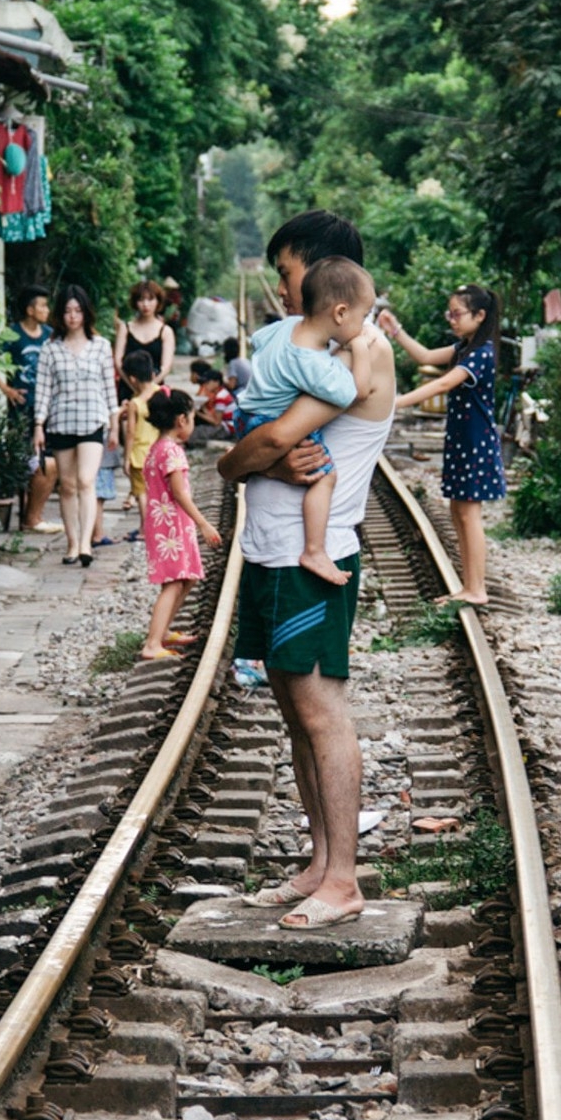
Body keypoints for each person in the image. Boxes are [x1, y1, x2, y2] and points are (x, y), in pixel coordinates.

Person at [216, 209, 396, 931]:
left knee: (321, 713)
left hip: (308, 556)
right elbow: (253, 448)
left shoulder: (360, 353)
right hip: (274, 549)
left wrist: (241, 457)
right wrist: (247, 456)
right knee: (295, 710)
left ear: (324, 277)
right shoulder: (312, 348)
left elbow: (265, 442)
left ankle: (344, 880)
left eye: (287, 274)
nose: (282, 291)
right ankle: (321, 863)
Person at [235, 256, 375, 587]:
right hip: (269, 422)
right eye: (363, 317)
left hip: (245, 414)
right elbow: (359, 390)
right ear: (340, 313)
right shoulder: (313, 363)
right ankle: (314, 549)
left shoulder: (283, 329)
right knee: (326, 476)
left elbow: (258, 341)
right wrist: (360, 346)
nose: (365, 325)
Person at [379, 285, 506, 608]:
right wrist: (397, 332)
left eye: (457, 314)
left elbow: (446, 382)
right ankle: (468, 585)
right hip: (462, 440)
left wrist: (398, 403)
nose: (452, 319)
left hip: (475, 442)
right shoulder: (463, 348)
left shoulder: (482, 354)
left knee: (470, 514)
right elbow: (424, 357)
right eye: (449, 313)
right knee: (458, 512)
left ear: (480, 316)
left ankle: (476, 588)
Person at [33, 285, 119, 568]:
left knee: (86, 480)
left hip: (93, 421)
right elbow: (43, 390)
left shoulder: (101, 345)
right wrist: (39, 424)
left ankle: (86, 543)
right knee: (67, 485)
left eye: (78, 311)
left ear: (86, 313)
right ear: (61, 314)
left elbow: (110, 388)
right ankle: (72, 544)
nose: (73, 316)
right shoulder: (51, 349)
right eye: (68, 311)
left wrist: (114, 423)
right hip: (60, 422)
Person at [140, 389, 221, 660]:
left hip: (167, 523)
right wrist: (204, 524)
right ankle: (153, 643)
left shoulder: (157, 448)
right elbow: (179, 493)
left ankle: (163, 631)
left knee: (185, 578)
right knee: (173, 582)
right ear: (182, 420)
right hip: (170, 526)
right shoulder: (172, 452)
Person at [4, 285, 62, 535]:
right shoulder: (12, 335)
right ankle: (31, 516)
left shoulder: (50, 335)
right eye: (42, 306)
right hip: (22, 410)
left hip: (48, 410)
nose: (46, 311)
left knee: (48, 462)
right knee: (30, 460)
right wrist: (8, 390)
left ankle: (33, 514)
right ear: (30, 310)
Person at [123, 349, 161, 535]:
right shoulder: (162, 394)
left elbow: (130, 431)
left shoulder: (135, 403)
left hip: (139, 454)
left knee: (142, 493)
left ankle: (145, 528)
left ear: (132, 379)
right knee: (157, 491)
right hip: (158, 452)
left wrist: (126, 457)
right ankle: (157, 526)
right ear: (152, 373)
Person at [113, 279, 176, 386]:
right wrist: (132, 386)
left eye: (151, 299)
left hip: (155, 390)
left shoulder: (166, 331)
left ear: (158, 301)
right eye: (141, 300)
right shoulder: (125, 328)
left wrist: (147, 390)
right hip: (128, 388)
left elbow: (166, 367)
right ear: (135, 302)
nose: (146, 304)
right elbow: (118, 362)